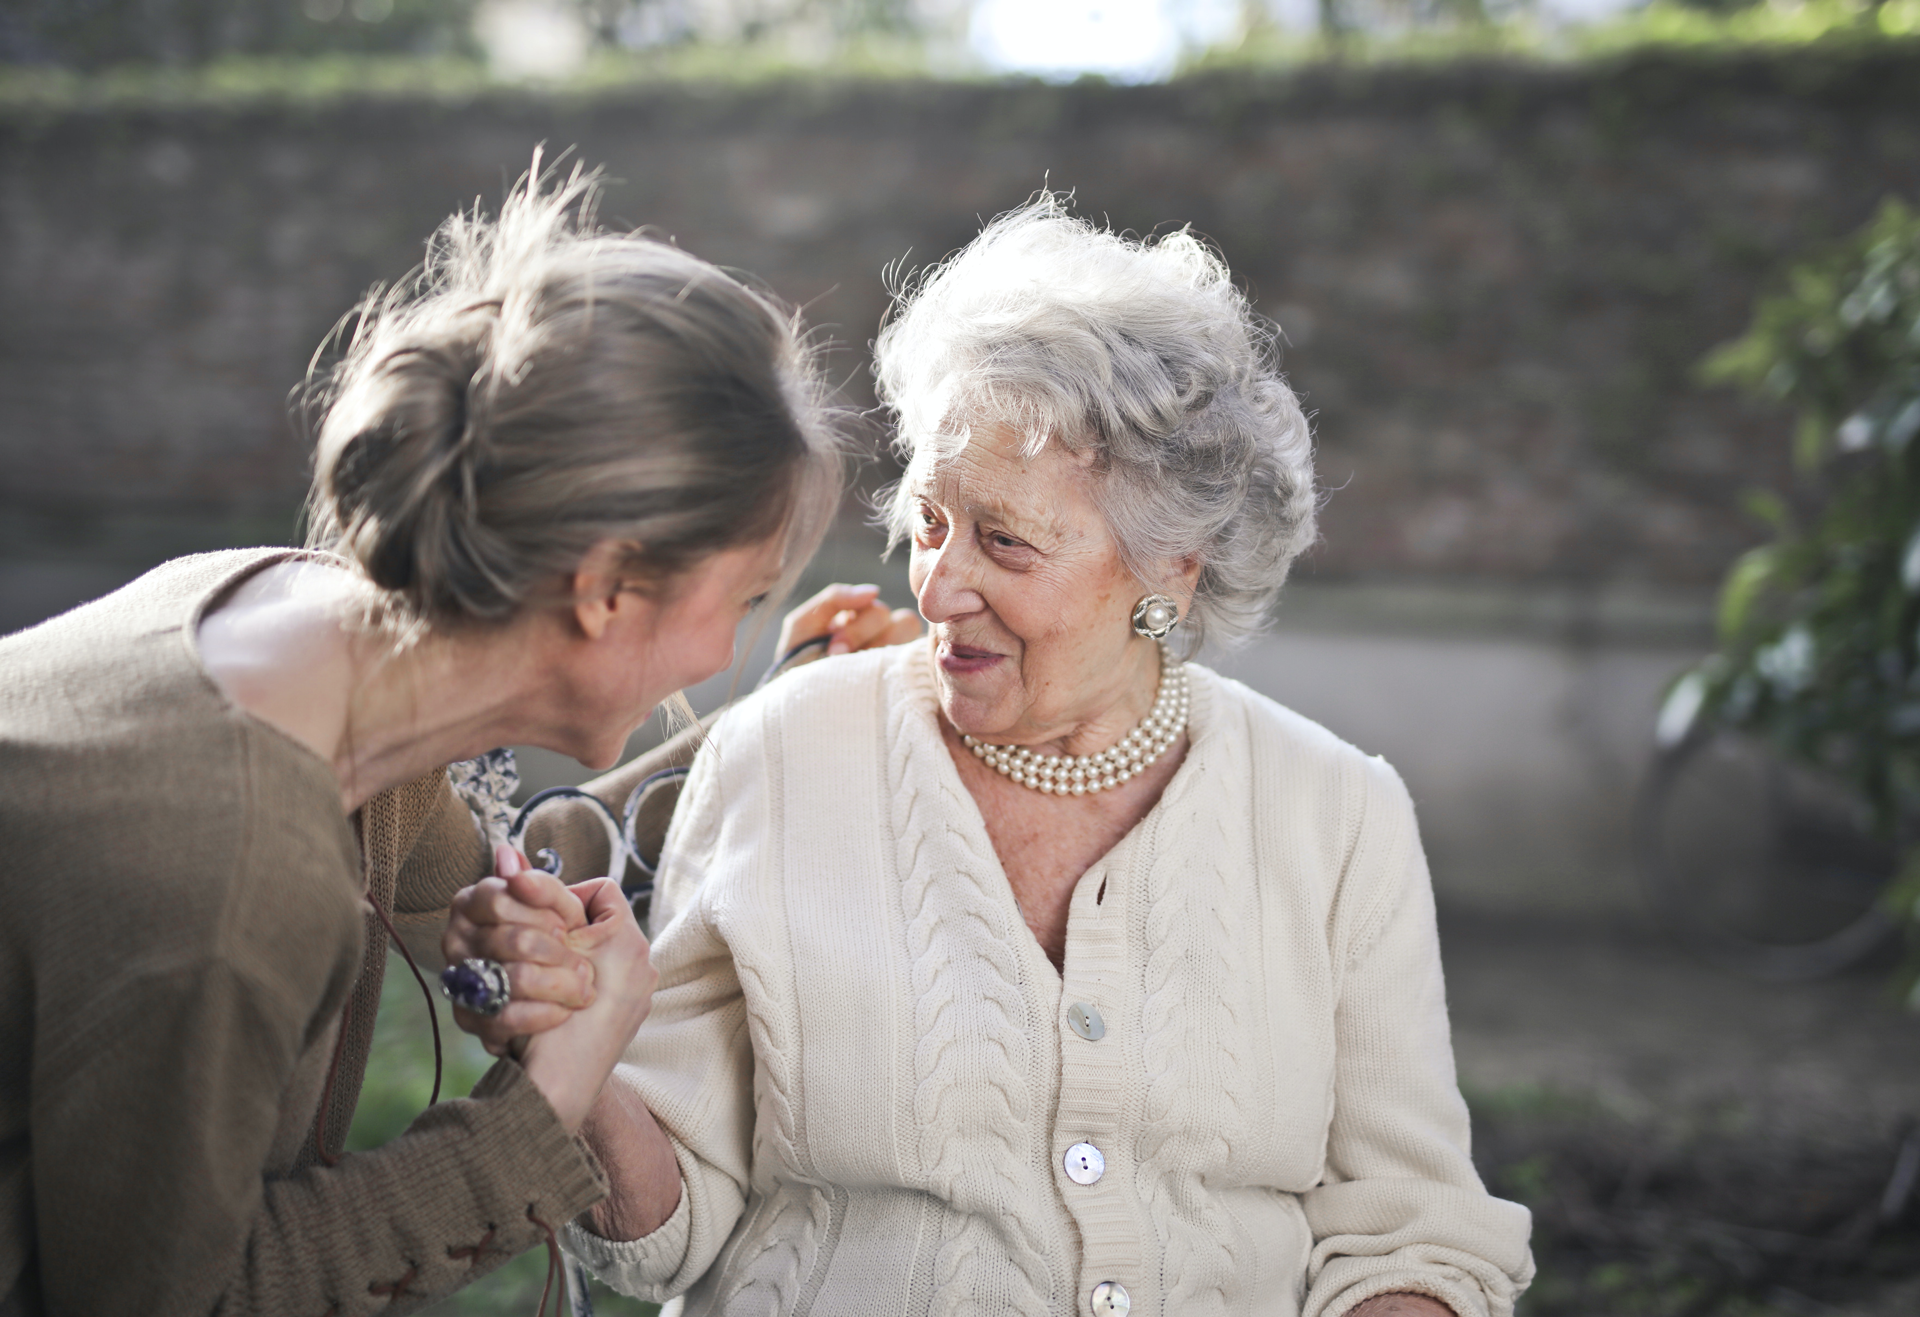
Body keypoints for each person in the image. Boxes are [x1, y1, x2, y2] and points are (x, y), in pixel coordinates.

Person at [453, 197, 1536, 1317]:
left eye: (1005, 540)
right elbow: (661, 1237)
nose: (938, 584)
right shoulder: (787, 753)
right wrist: (579, 1060)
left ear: (1172, 569)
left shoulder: (1338, 813)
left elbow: (1414, 1235)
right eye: (929, 522)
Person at [0, 161, 847, 1317]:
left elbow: (498, 869)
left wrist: (800, 709)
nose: (719, 657)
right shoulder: (234, 871)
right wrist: (539, 1112)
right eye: (742, 601)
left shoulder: (281, 619)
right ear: (605, 592)